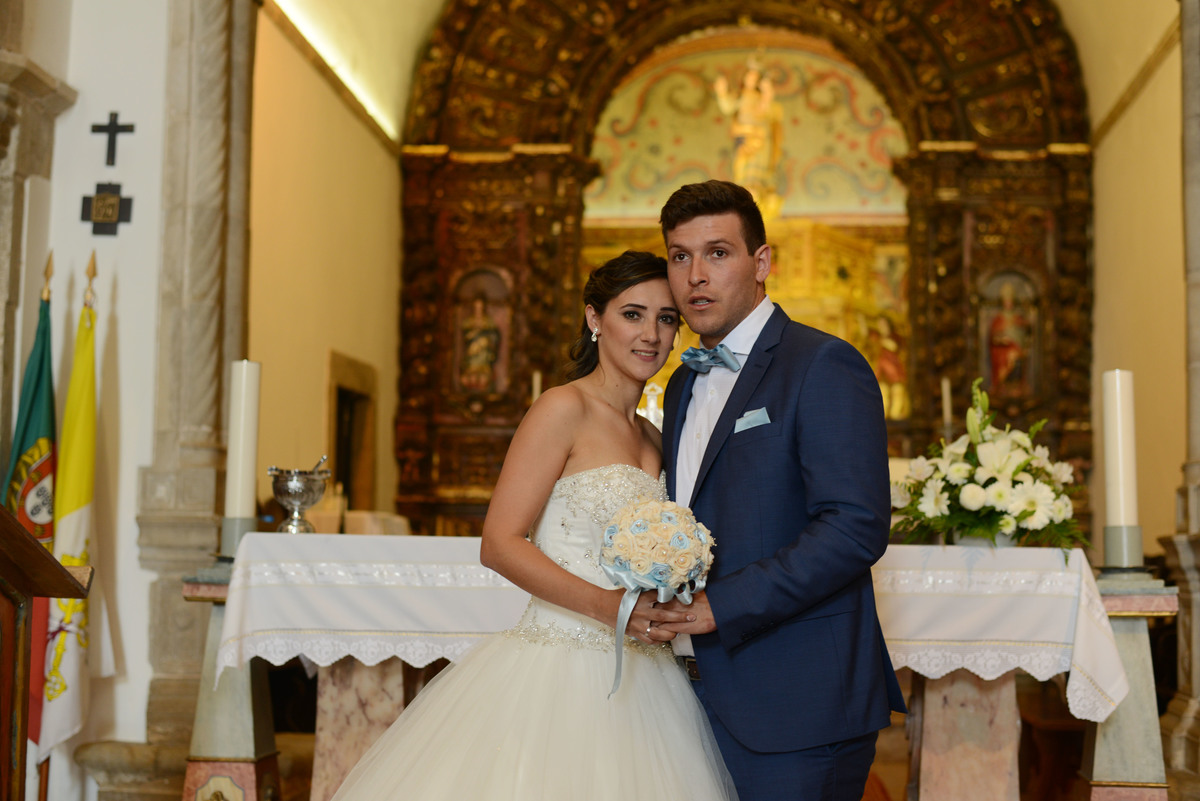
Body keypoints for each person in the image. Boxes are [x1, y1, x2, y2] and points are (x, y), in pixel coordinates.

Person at [330, 251, 739, 801]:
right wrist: (613, 608)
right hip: (559, 665)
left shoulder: (654, 435)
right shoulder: (561, 408)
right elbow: (499, 544)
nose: (651, 335)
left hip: (651, 675)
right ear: (594, 319)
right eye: (632, 314)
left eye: (666, 318)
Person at [652, 180, 906, 800]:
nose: (696, 276)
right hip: (690, 694)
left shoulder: (822, 364)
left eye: (718, 253)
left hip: (798, 700)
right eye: (681, 256)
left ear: (761, 262)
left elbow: (854, 527)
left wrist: (721, 605)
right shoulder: (680, 384)